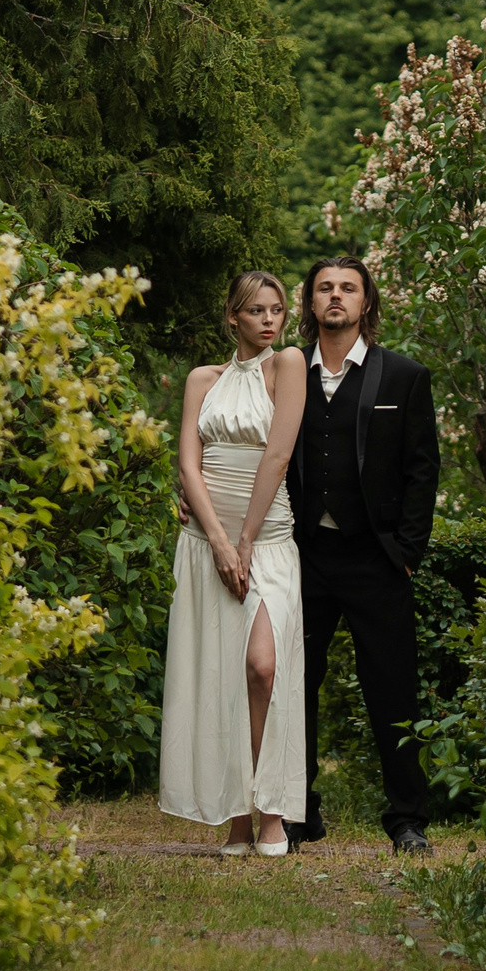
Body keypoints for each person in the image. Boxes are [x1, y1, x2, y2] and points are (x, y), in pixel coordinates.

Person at [286, 256, 441, 855]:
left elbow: (422, 468)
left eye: (348, 289)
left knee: (392, 688)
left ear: (366, 304)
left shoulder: (402, 377)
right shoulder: (287, 371)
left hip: (378, 559)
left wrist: (407, 551)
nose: (335, 297)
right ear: (310, 302)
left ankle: (407, 819)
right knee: (294, 686)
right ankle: (299, 811)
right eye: (325, 288)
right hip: (305, 554)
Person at [159, 271, 309, 856]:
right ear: (233, 318)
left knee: (263, 667)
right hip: (205, 542)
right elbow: (188, 467)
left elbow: (278, 452)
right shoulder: (203, 379)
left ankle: (271, 811)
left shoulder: (288, 365)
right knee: (221, 675)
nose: (270, 320)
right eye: (257, 311)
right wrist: (218, 542)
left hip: (266, 539)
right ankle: (239, 818)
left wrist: (244, 541)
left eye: (276, 310)